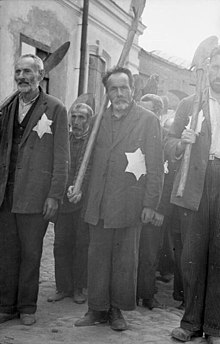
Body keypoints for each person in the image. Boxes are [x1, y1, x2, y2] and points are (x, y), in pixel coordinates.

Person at [74, 66, 164, 331]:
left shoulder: (148, 120)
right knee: (97, 257)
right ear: (108, 92)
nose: (119, 93)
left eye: (124, 87)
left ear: (132, 89)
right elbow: (88, 159)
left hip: (129, 202)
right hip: (99, 201)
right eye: (113, 88)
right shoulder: (99, 119)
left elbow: (156, 167)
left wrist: (150, 203)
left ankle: (115, 311)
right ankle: (96, 309)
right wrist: (78, 186)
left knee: (123, 260)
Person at [0, 54, 69, 326]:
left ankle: (27, 306)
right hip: (6, 194)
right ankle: (6, 305)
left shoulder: (55, 108)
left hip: (36, 195)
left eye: (28, 71)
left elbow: (62, 157)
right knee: (6, 253)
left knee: (30, 253)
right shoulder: (7, 107)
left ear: (40, 76)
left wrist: (55, 194)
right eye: (18, 71)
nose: (21, 77)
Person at [166, 46, 220, 344]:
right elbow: (169, 141)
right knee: (192, 257)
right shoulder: (191, 104)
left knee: (219, 255)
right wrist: (180, 143)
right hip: (195, 184)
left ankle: (214, 326)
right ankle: (190, 323)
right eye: (216, 68)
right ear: (207, 69)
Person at [47, 103, 93, 304]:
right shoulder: (63, 140)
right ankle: (62, 287)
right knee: (61, 244)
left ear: (89, 121)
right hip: (64, 203)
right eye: (73, 117)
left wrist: (82, 188)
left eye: (82, 117)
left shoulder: (93, 144)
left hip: (84, 203)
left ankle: (78, 288)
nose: (76, 122)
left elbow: (93, 171)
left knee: (81, 245)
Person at [137, 93, 165, 309]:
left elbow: (167, 177)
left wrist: (158, 209)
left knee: (149, 253)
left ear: (159, 113)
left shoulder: (165, 138)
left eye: (150, 111)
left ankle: (147, 294)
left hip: (154, 207)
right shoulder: (136, 134)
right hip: (134, 202)